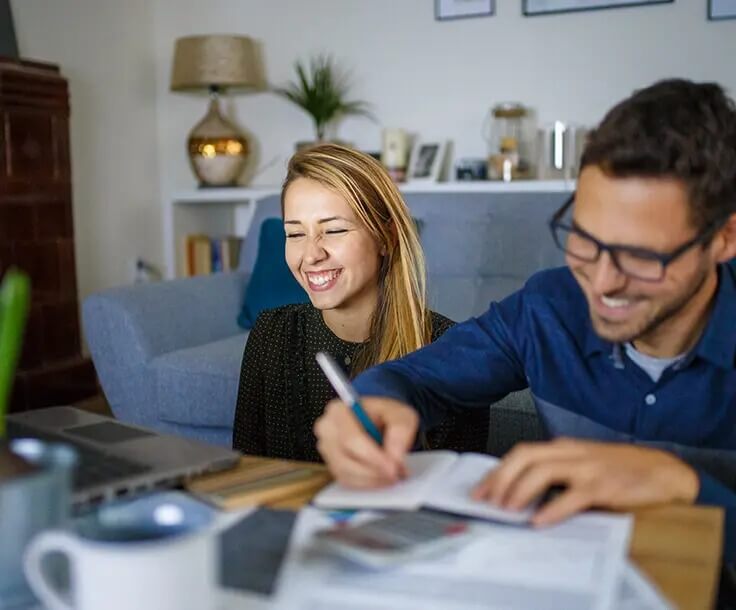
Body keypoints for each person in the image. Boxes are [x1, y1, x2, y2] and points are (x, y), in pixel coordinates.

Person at [313, 80, 736, 564]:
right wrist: (373, 403)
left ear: (724, 238)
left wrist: (683, 484)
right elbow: (414, 378)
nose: (600, 283)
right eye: (584, 239)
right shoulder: (548, 306)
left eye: (641, 256)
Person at [232, 143, 489, 462]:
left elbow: (450, 493)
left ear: (386, 237)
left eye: (334, 230)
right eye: (295, 235)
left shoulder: (450, 351)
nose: (311, 255)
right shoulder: (270, 333)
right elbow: (246, 470)